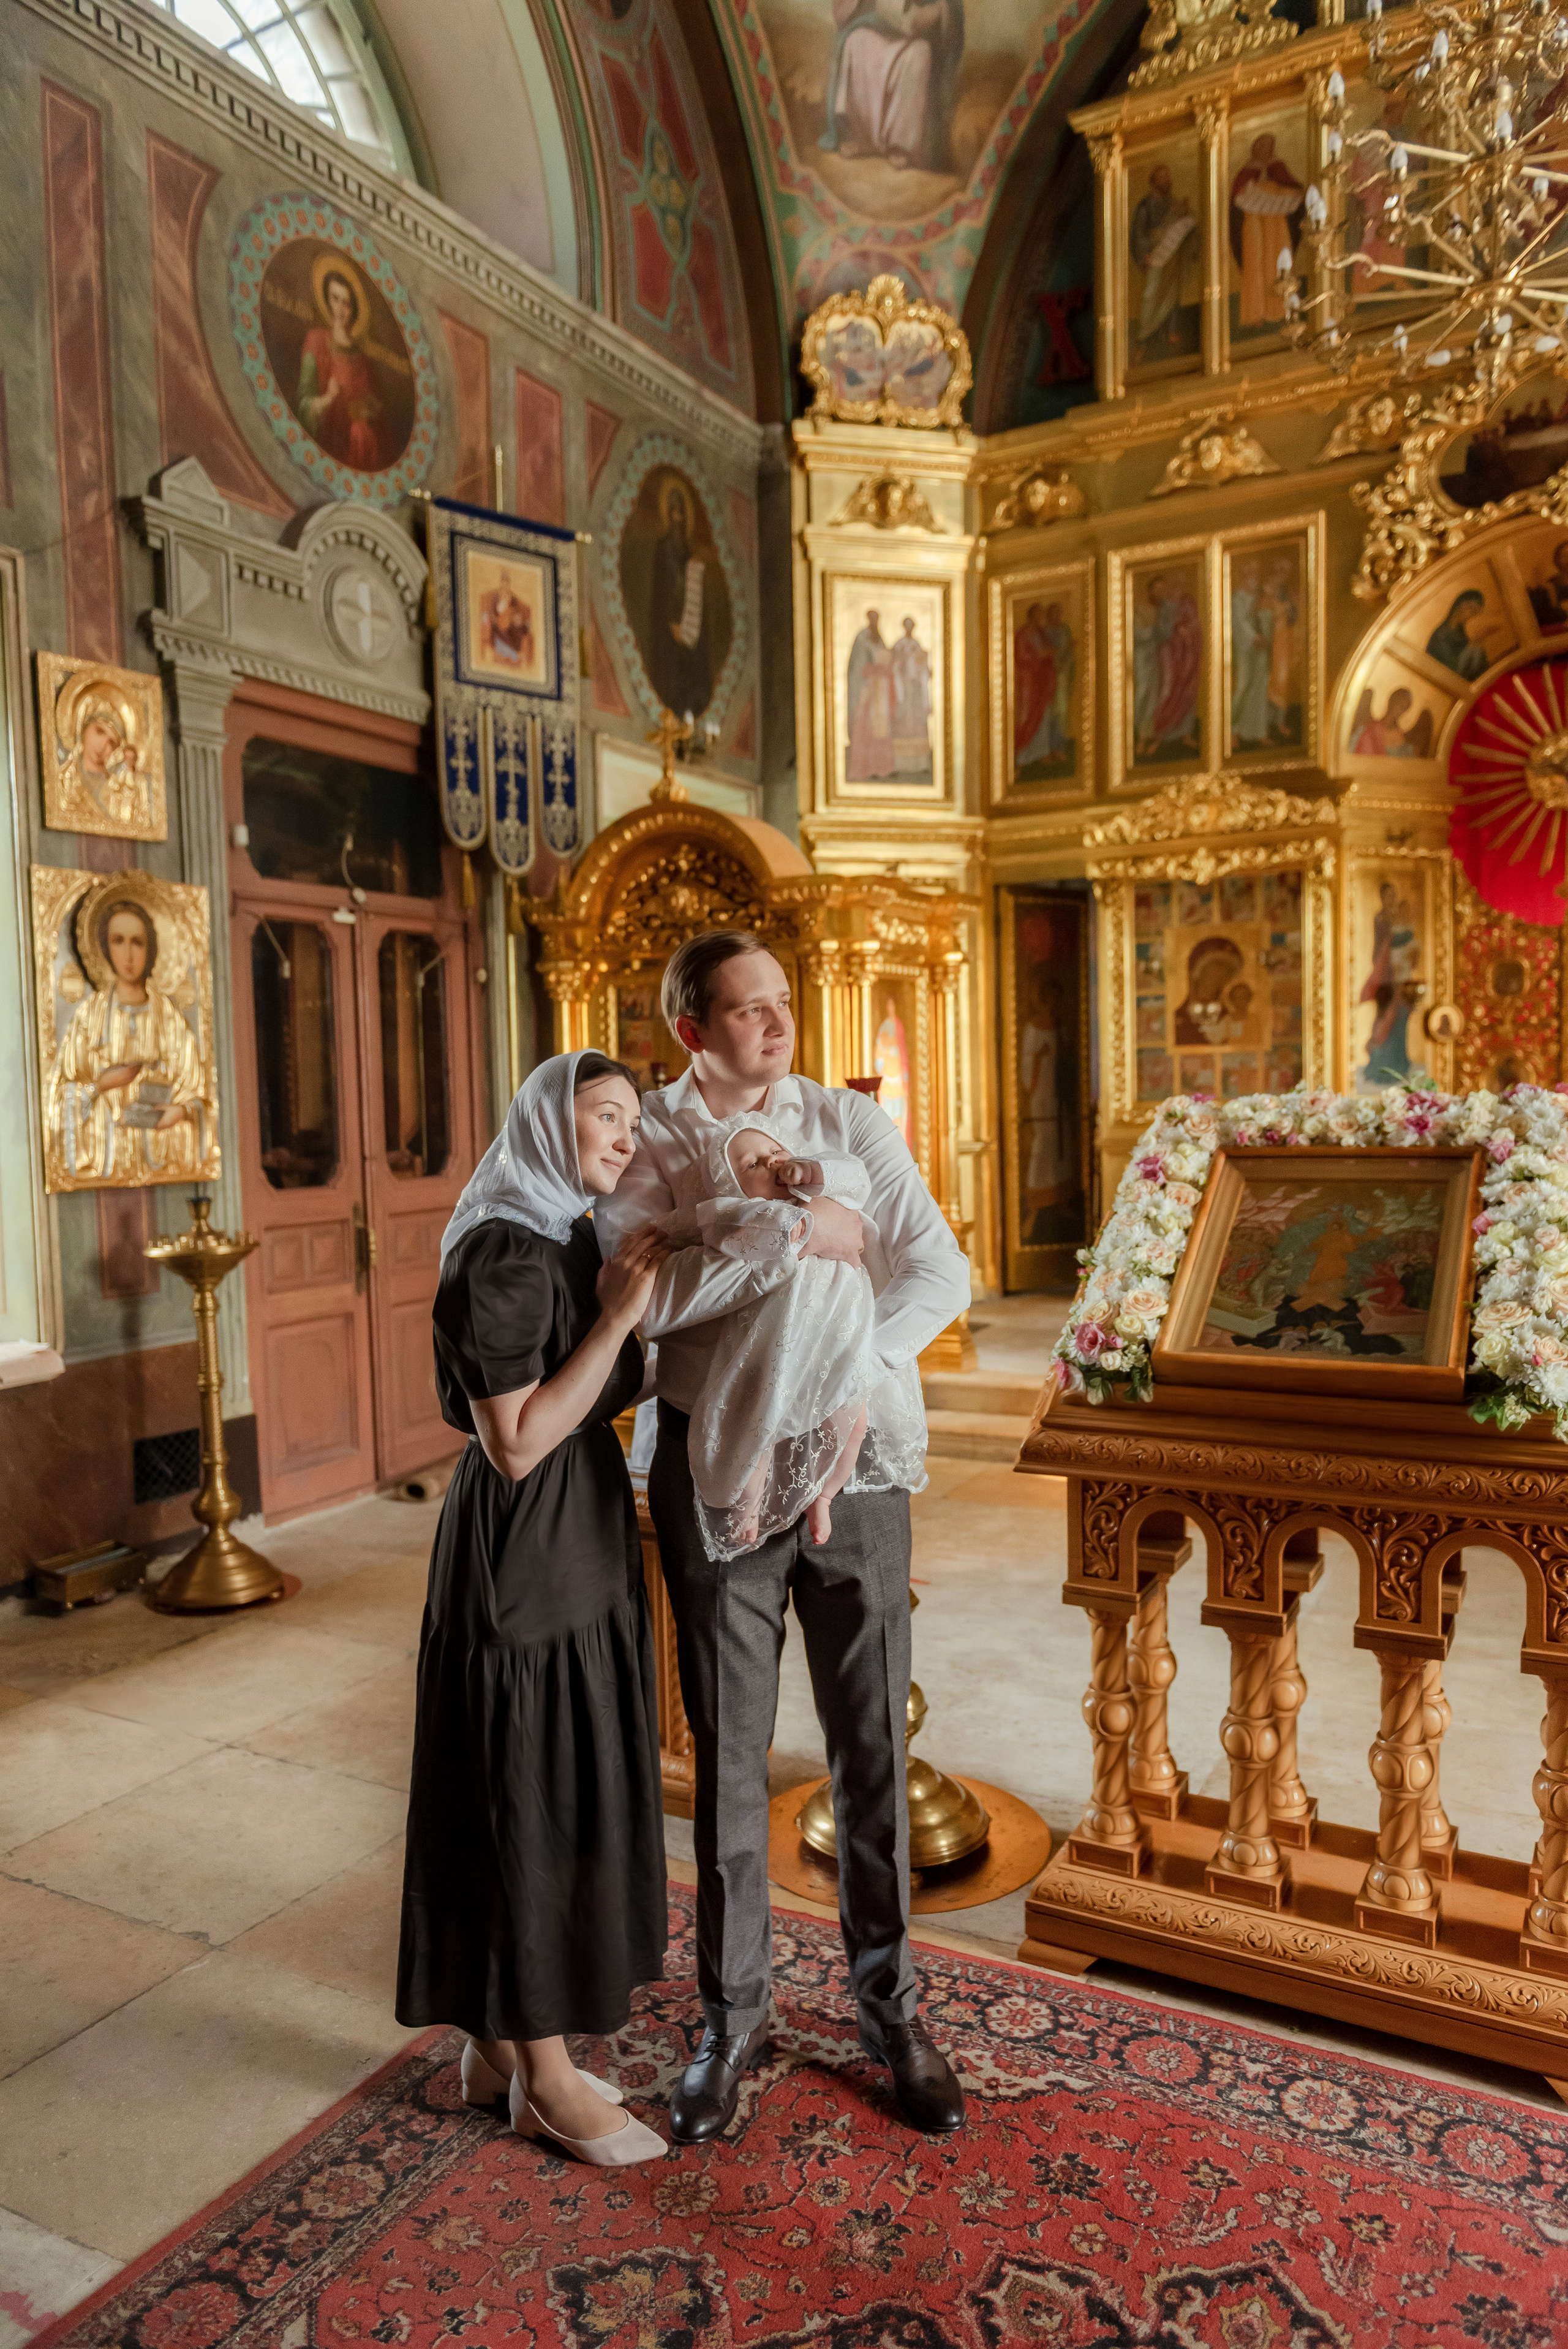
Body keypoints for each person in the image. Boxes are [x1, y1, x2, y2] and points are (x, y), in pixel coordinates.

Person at [596, 931, 971, 2145]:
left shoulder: (847, 1123)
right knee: (730, 1754)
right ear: (691, 1030)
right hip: (718, 1472)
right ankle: (733, 2018)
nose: (776, 1023)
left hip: (858, 1467)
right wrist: (788, 1235)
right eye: (746, 1009)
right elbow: (643, 1298)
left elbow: (938, 1272)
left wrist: (839, 1380)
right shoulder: (651, 1138)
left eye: (783, 1003)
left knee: (872, 1744)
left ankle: (890, 2011)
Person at [396, 1050, 671, 2170]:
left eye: (633, 1119)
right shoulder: (503, 1251)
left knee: (537, 1778)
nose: (624, 1136)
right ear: (549, 1123)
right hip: (525, 1545)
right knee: (529, 1788)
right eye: (605, 1115)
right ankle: (548, 2081)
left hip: (577, 1530)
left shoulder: (565, 1230)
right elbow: (513, 1443)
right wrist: (618, 1319)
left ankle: (496, 2049)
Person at [654, 1116, 924, 1559]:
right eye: (753, 1164)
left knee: (853, 1423)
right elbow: (719, 1229)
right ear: (733, 1188)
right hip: (779, 1346)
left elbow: (855, 1177)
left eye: (777, 1151)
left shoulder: (823, 1194)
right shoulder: (742, 1212)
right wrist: (801, 1226)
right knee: (761, 1430)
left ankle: (824, 1496)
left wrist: (815, 1172)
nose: (773, 1162)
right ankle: (747, 1508)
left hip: (840, 1344)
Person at [50, 896, 207, 1183]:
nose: (129, 954)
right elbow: (59, 1094)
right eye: (118, 941)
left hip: (161, 1154)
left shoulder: (169, 1019)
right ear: (105, 948)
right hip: (105, 1153)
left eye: (138, 942)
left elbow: (200, 1093)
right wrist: (100, 1086)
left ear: (151, 949)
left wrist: (182, 1111)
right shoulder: (90, 1016)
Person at [296, 263, 391, 473]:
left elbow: (379, 414)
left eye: (346, 304)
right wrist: (328, 398)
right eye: (335, 299)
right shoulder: (316, 341)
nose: (340, 310)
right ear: (327, 300)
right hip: (326, 444)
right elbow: (303, 404)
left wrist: (368, 413)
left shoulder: (364, 361)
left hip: (357, 448)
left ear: (354, 309)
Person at [1229, 134, 1304, 330]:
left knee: (1278, 264)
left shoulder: (1278, 168)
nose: (1265, 150)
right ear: (1254, 148)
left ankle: (1280, 310)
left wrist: (1295, 194)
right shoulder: (1246, 172)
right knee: (1255, 266)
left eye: (1269, 146)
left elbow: (1294, 190)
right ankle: (1255, 314)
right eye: (1261, 146)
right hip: (1254, 225)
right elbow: (1237, 202)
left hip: (1277, 225)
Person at [1129, 163, 1200, 360]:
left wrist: (1184, 212)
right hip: (1157, 255)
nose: (1167, 181)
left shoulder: (1173, 202)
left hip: (1173, 255)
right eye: (1163, 177)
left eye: (1168, 177)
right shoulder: (1146, 206)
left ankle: (1171, 331)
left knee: (1172, 293)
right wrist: (1144, 253)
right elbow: (1138, 234)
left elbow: (1184, 224)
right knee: (1151, 295)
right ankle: (1143, 338)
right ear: (1154, 181)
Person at [846, 609, 897, 779]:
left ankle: (882, 767)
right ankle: (867, 768)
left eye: (877, 618)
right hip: (867, 692)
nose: (875, 621)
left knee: (882, 731)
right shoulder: (862, 639)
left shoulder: (879, 638)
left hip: (880, 693)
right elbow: (859, 668)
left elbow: (885, 660)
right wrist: (872, 674)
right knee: (867, 730)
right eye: (872, 618)